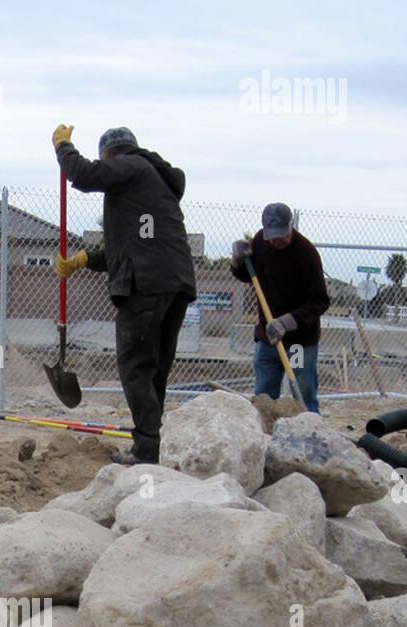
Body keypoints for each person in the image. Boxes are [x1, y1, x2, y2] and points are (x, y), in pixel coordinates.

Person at [51, 124, 196, 465]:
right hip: (173, 283)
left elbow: (84, 175)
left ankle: (145, 449)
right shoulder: (153, 182)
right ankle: (149, 448)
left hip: (146, 286)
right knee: (154, 368)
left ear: (109, 154)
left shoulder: (130, 165)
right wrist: (85, 259)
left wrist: (63, 147)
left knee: (136, 366)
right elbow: (136, 244)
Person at [230, 203, 330, 413]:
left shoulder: (306, 254)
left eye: (282, 234)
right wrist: (238, 261)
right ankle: (265, 435)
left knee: (302, 394)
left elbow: (320, 301)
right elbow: (249, 276)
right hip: (268, 339)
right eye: (272, 235)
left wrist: (287, 322)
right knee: (264, 396)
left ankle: (310, 431)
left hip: (297, 343)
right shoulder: (260, 242)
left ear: (290, 225)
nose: (278, 240)